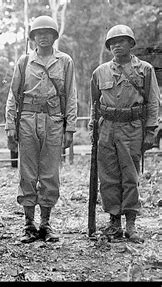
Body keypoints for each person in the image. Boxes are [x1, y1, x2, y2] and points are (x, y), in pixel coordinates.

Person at [5, 16, 77, 243]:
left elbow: (71, 95)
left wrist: (70, 128)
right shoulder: (24, 62)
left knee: (49, 173)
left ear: (54, 36)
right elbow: (12, 95)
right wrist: (10, 126)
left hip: (54, 120)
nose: (43, 37)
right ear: (33, 37)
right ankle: (28, 224)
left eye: (48, 33)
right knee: (27, 173)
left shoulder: (64, 61)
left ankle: (46, 224)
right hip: (27, 120)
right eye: (38, 33)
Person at [89, 24, 159, 243]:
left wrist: (150, 131)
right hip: (107, 127)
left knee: (130, 175)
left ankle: (130, 224)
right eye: (112, 43)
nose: (116, 46)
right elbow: (94, 104)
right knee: (108, 176)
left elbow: (153, 102)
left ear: (131, 44)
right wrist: (94, 128)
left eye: (122, 41)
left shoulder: (144, 70)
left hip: (132, 127)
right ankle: (114, 222)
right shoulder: (100, 72)